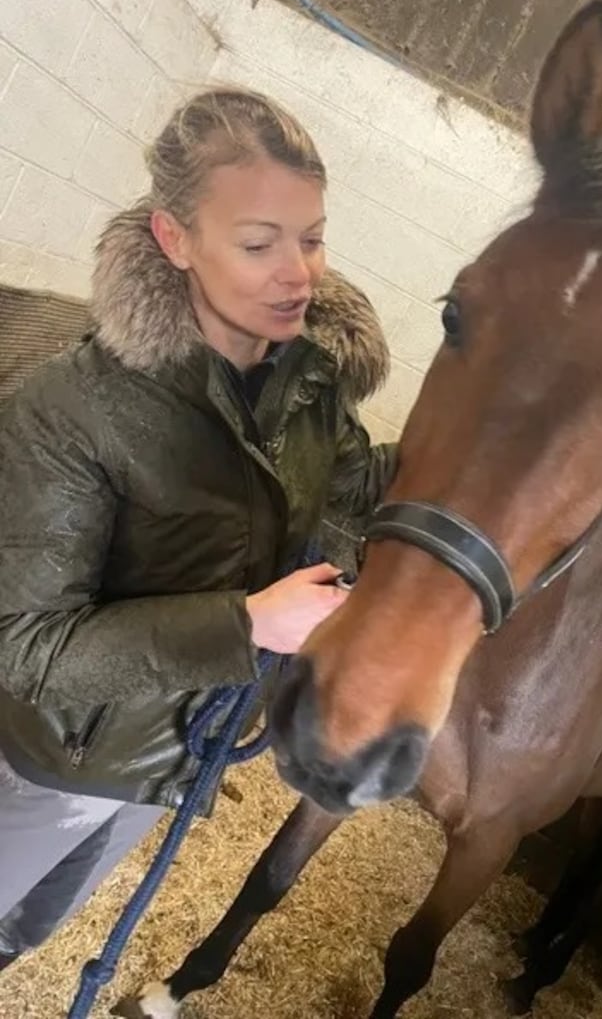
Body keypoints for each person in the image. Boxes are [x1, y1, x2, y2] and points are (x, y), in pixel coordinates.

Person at [0, 87, 397, 969]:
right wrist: (246, 624)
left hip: (168, 757)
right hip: (45, 759)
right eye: (259, 244)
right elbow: (27, 647)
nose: (299, 273)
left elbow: (355, 487)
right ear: (174, 239)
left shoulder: (306, 391)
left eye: (311, 237)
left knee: (29, 930)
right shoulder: (73, 409)